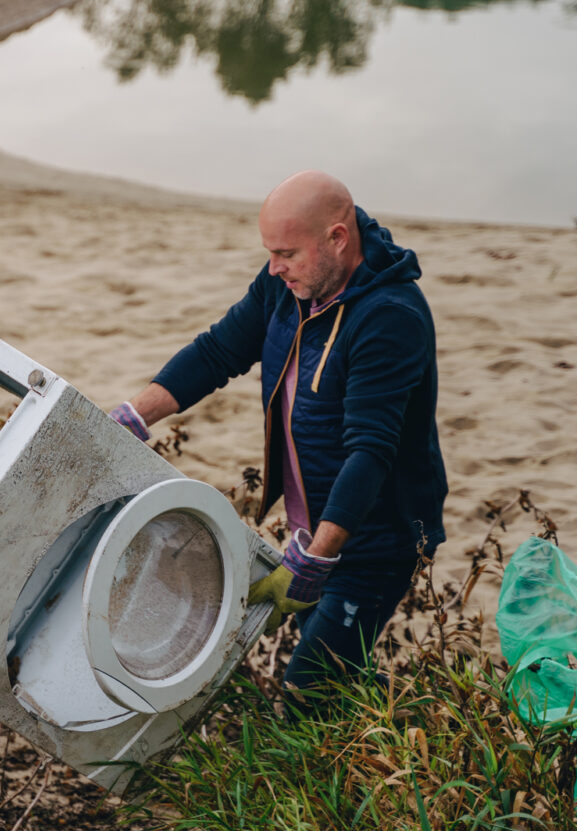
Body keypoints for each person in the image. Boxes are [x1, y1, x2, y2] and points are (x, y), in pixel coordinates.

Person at [109, 171, 446, 701]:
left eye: (286, 252)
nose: (274, 267)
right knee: (332, 667)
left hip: (375, 538)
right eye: (270, 252)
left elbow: (370, 451)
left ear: (337, 238)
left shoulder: (390, 318)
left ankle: (408, 729)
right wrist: (134, 416)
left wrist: (318, 559)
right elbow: (219, 351)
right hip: (313, 524)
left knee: (307, 692)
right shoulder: (290, 284)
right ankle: (414, 714)